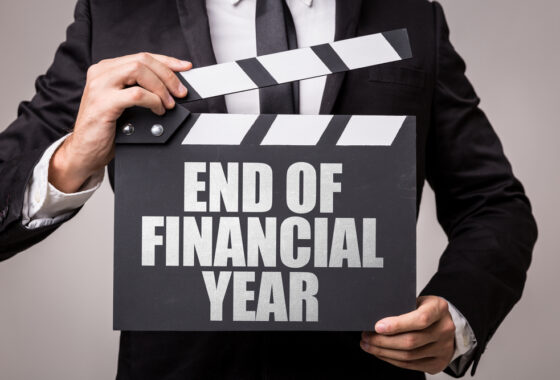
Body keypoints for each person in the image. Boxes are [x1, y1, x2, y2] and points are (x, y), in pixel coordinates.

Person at [0, 0, 537, 379]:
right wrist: (71, 159)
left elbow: (493, 202)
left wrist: (456, 315)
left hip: (364, 364)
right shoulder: (117, 13)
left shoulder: (409, 13)